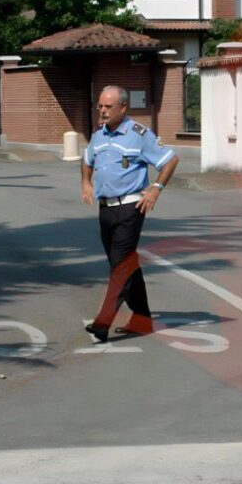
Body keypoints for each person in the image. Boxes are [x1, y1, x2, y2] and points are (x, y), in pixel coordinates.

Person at [81, 85, 179, 343]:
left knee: (121, 266)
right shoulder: (98, 134)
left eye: (107, 107)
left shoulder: (139, 134)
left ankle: (102, 323)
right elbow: (87, 159)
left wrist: (156, 189)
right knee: (122, 264)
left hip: (130, 207)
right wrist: (86, 183)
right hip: (106, 208)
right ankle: (142, 318)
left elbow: (170, 160)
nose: (102, 111)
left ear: (123, 108)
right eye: (100, 106)